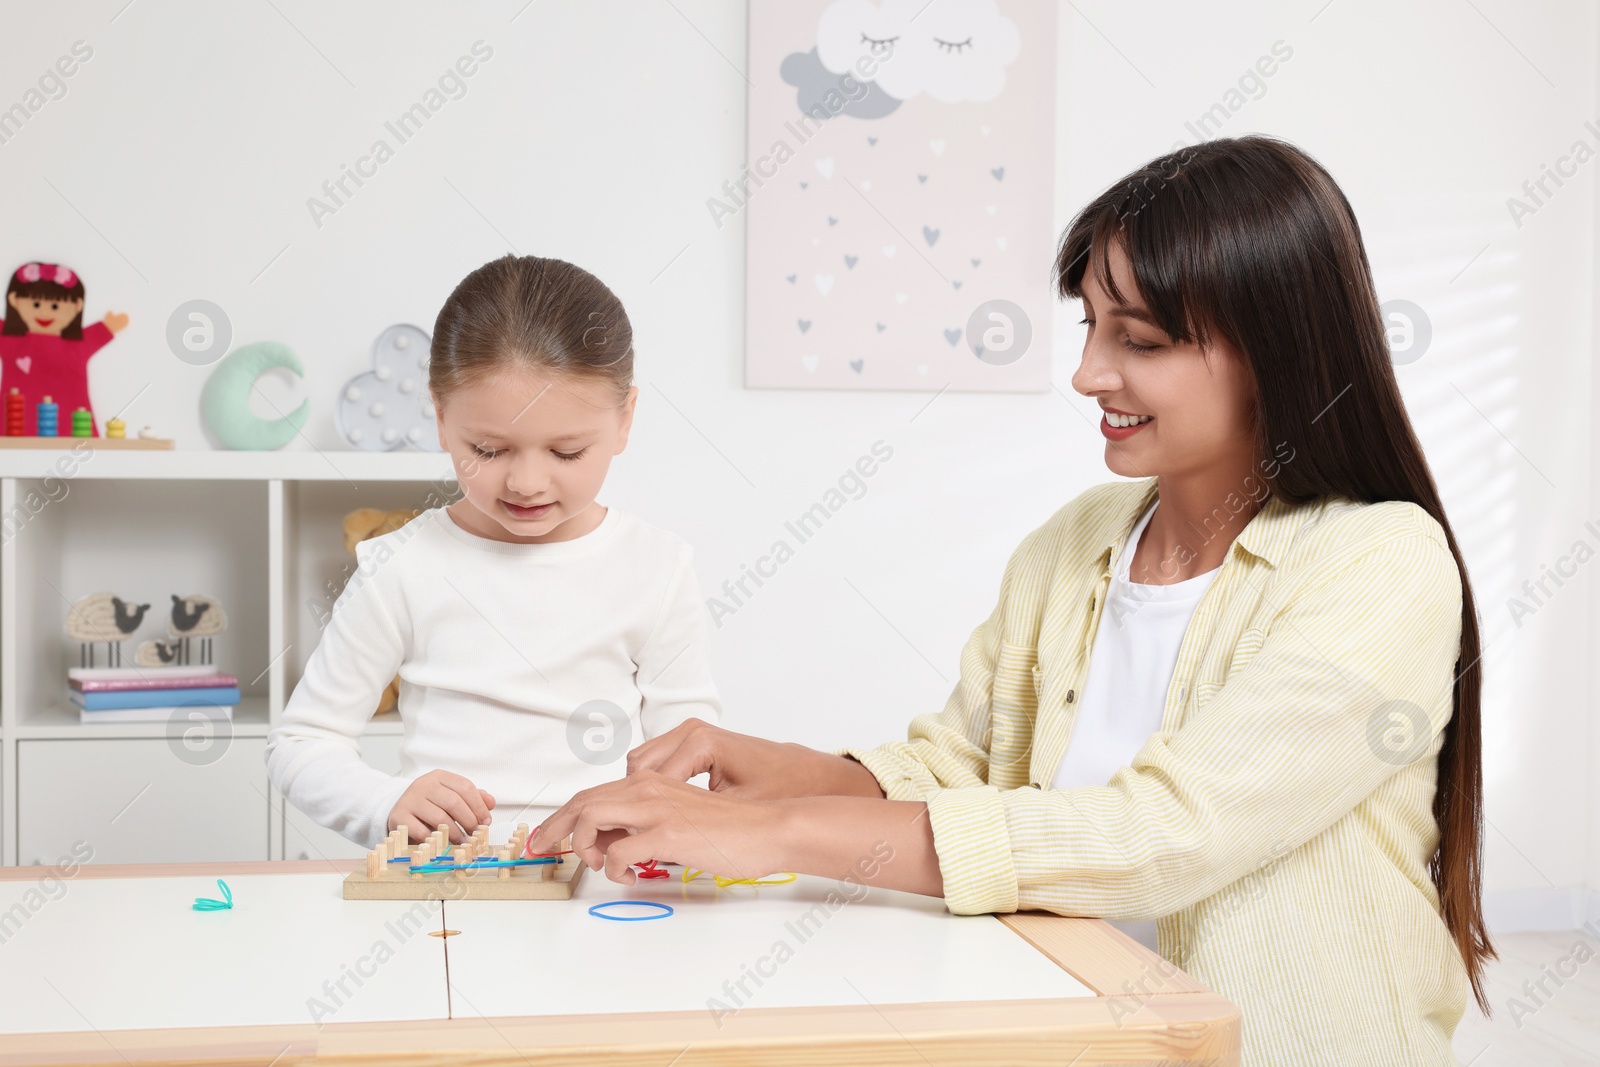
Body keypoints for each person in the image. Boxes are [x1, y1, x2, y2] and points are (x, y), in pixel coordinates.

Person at [529, 136, 1491, 1066]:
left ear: (1274, 353)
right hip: (1073, 1023)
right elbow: (960, 767)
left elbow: (1166, 836)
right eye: (1090, 325)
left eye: (1140, 340)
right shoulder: (1080, 540)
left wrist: (772, 833)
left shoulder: (1382, 561)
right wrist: (775, 771)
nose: (1087, 375)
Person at [266, 255, 722, 849]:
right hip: (449, 891)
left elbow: (693, 754)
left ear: (624, 419)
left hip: (603, 894)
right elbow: (301, 744)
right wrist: (386, 803)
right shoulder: (402, 568)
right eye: (487, 449)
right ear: (440, 418)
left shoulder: (656, 568)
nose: (526, 482)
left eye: (566, 452)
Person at [1, 261, 129, 435]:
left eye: (55, 307)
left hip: (72, 421)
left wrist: (107, 326)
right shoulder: (9, 338)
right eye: (36, 305)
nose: (45, 314)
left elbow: (99, 333)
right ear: (14, 301)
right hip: (14, 423)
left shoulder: (77, 343)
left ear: (77, 306)